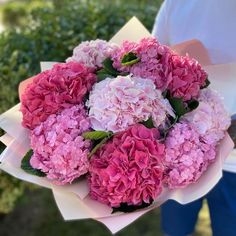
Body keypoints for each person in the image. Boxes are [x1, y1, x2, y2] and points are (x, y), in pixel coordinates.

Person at [152, 1, 236, 236]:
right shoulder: (175, 3)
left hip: (234, 164)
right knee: (175, 230)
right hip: (178, 156)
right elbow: (152, 60)